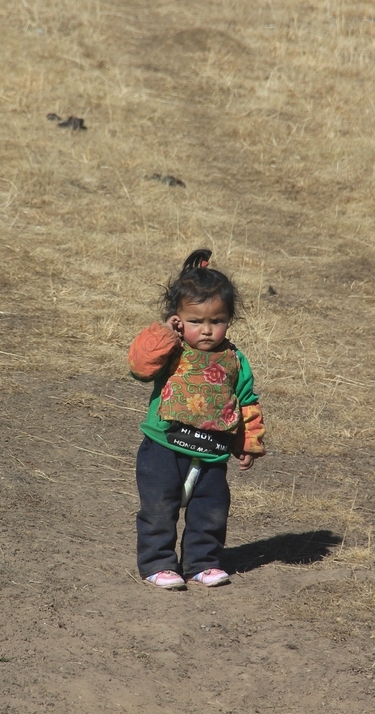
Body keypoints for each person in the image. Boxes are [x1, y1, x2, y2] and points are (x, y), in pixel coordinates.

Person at [128, 249, 266, 589]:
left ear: (229, 320)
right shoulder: (170, 348)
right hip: (163, 447)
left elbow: (246, 401)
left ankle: (202, 563)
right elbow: (140, 367)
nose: (206, 330)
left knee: (211, 510)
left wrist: (248, 442)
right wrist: (164, 333)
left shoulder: (235, 359)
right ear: (178, 318)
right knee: (160, 508)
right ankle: (158, 563)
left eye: (216, 321)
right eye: (195, 322)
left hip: (212, 452)